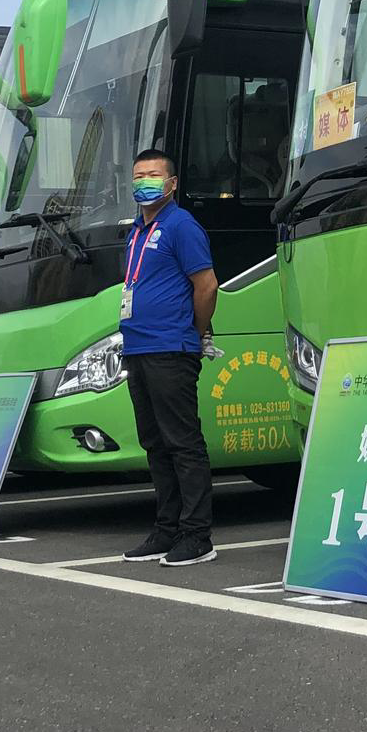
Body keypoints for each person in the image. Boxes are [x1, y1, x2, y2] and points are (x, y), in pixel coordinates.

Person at [117, 148, 220, 567]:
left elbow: (206, 285)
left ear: (172, 183)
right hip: (138, 348)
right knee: (155, 444)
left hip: (171, 348)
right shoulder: (136, 232)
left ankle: (197, 535)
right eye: (139, 175)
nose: (145, 182)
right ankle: (167, 528)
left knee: (182, 442)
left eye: (154, 175)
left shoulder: (181, 226)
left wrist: (195, 331)